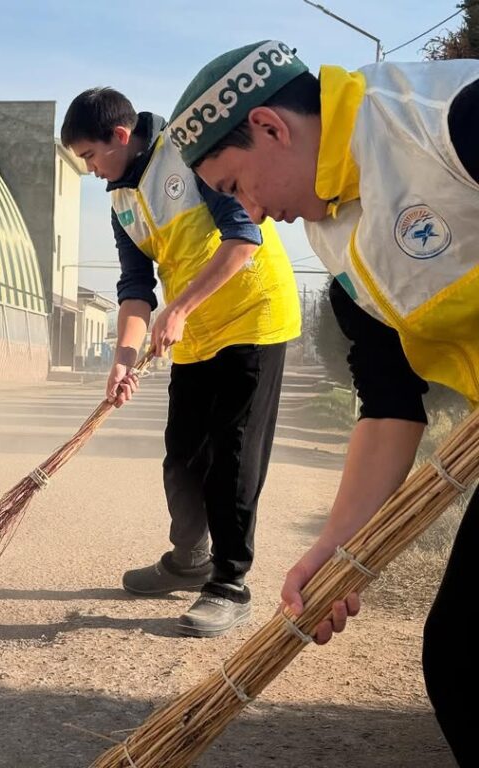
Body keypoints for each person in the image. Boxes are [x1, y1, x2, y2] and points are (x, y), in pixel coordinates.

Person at [168, 40, 479, 762]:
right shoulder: (338, 245)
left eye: (235, 185)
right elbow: (389, 404)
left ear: (271, 127)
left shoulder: (441, 119)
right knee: (462, 658)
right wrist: (335, 547)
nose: (247, 212)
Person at [60, 88, 300, 637]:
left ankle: (230, 583)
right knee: (183, 457)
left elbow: (244, 237)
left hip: (253, 319)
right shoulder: (121, 201)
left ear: (120, 136)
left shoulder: (190, 153)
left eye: (91, 156)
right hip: (194, 335)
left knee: (233, 457)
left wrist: (181, 308)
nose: (91, 171)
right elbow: (135, 288)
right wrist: (122, 360)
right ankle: (189, 559)